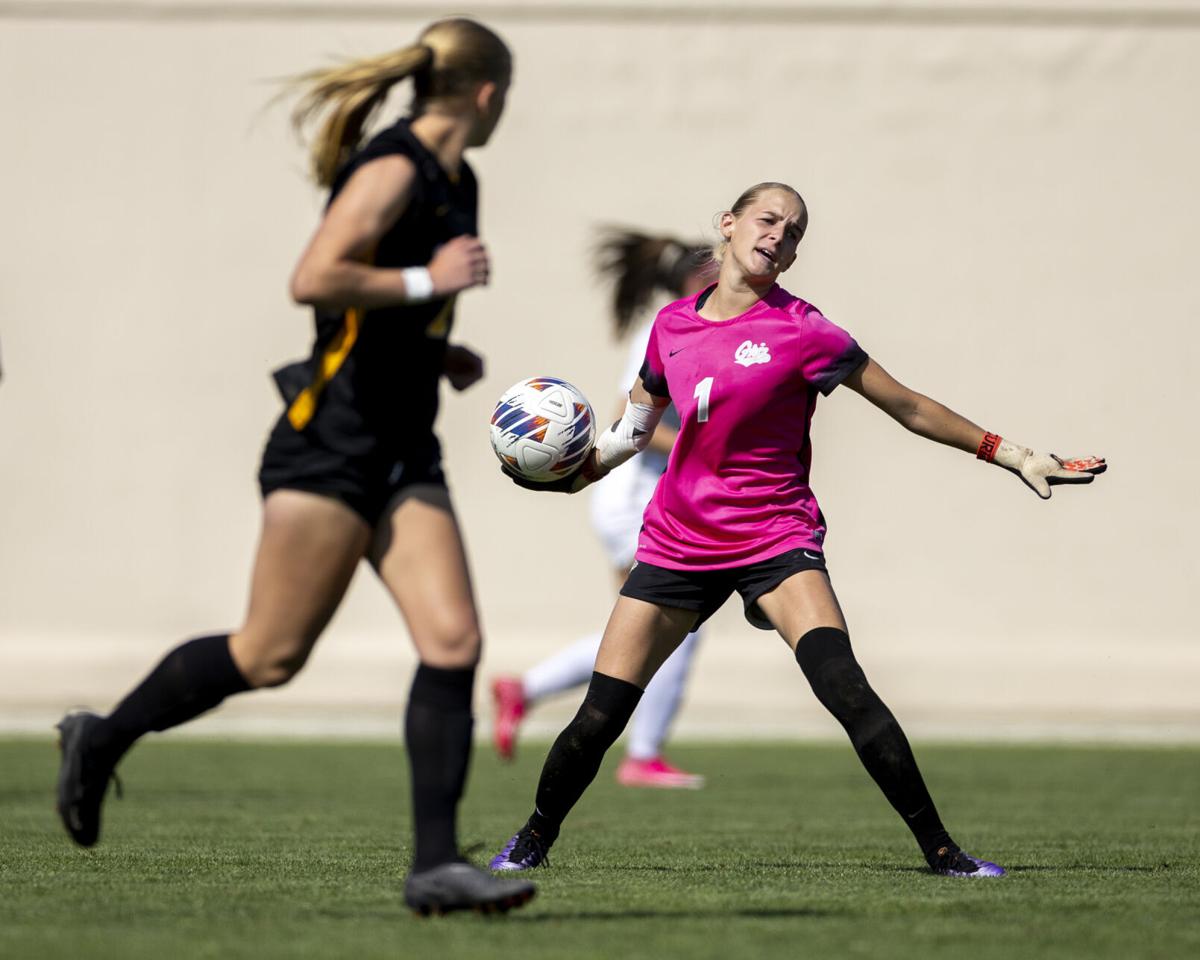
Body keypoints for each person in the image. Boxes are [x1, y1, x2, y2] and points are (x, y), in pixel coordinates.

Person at [54, 18, 536, 916]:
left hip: (403, 444)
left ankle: (436, 867)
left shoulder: (459, 178)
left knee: (454, 643)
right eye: (509, 93)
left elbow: (369, 308)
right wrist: (431, 285)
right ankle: (103, 735)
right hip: (330, 445)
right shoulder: (393, 168)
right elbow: (315, 278)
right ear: (485, 93)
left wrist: (435, 351)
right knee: (268, 655)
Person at [490, 181, 1106, 878]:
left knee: (845, 687)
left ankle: (945, 854)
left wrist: (1010, 451)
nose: (780, 236)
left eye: (795, 231)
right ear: (727, 225)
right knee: (600, 717)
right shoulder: (672, 330)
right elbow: (630, 434)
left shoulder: (805, 331)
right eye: (768, 219)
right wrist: (571, 474)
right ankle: (531, 841)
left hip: (775, 539)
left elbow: (905, 404)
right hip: (679, 541)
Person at [491, 229, 713, 789]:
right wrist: (702, 447)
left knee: (655, 622)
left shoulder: (698, 324)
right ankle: (642, 753)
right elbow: (629, 416)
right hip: (633, 499)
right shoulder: (670, 326)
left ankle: (527, 690)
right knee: (669, 621)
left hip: (651, 500)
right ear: (693, 278)